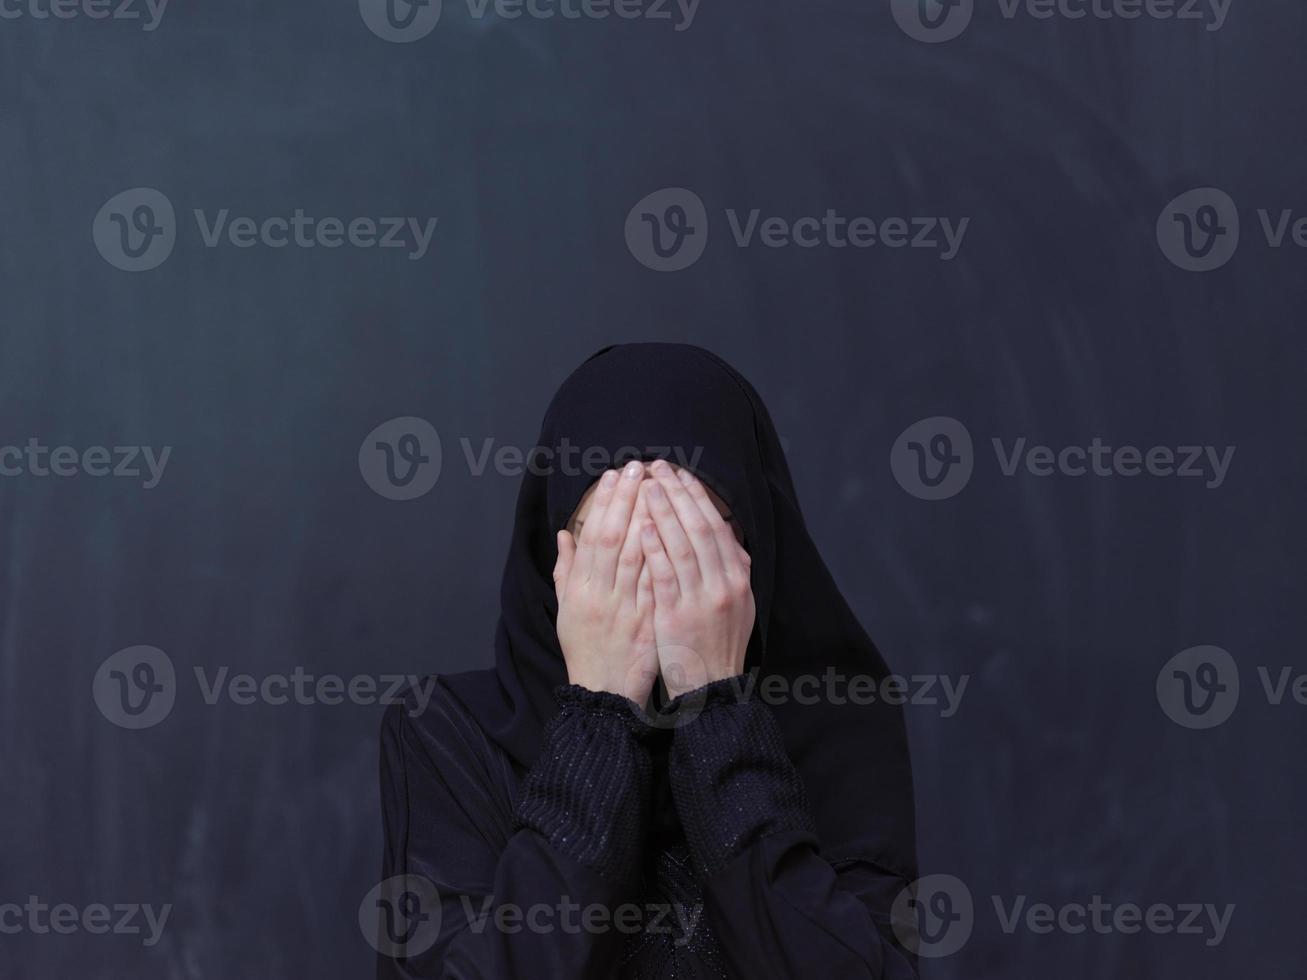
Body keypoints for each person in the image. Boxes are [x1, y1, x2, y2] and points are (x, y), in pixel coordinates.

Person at [377, 343, 918, 978]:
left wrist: (717, 705)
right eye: (613, 538)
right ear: (555, 553)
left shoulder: (839, 725)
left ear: (756, 548)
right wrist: (599, 716)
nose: (655, 572)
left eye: (694, 538)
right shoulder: (447, 733)